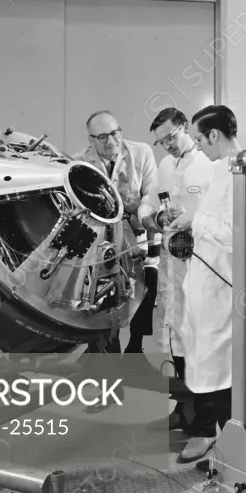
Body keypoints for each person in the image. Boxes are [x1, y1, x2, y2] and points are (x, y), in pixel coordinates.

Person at [168, 104, 246, 464]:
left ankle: (227, 443)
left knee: (223, 366)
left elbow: (234, 233)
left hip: (225, 288)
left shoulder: (241, 172)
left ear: (214, 135)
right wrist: (189, 219)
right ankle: (212, 433)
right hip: (209, 284)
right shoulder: (223, 169)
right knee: (208, 360)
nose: (198, 145)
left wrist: (195, 225)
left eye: (200, 138)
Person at [73, 111, 159, 410]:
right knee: (103, 302)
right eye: (102, 137)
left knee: (147, 288)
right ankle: (109, 376)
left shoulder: (142, 152)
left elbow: (150, 194)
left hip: (139, 232)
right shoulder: (79, 164)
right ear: (91, 140)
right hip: (103, 245)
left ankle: (134, 353)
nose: (111, 142)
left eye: (115, 133)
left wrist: (141, 214)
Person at [140, 108, 214, 432]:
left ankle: (205, 427)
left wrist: (192, 224)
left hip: (201, 267)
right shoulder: (166, 167)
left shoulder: (208, 167)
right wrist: (154, 219)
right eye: (160, 142)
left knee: (200, 344)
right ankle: (184, 412)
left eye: (170, 137)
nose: (167, 145)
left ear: (185, 128)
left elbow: (223, 220)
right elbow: (148, 202)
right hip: (172, 268)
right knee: (175, 340)